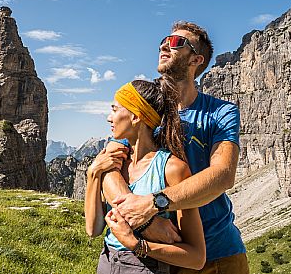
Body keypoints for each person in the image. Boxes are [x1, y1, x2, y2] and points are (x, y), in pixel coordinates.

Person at [101, 21, 250, 274]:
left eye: (176, 42)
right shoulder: (143, 102)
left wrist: (154, 204)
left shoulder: (221, 113)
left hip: (221, 254)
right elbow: (110, 166)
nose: (164, 45)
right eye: (164, 40)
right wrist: (145, 224)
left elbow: (223, 175)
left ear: (196, 59)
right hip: (167, 256)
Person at [85, 79, 206, 273]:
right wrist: (92, 173)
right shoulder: (113, 161)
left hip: (147, 265)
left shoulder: (172, 169)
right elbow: (93, 230)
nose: (109, 117)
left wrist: (136, 244)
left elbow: (196, 257)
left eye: (115, 110)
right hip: (108, 260)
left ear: (135, 117)